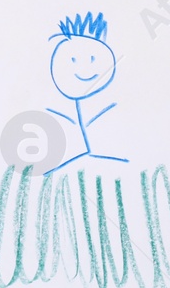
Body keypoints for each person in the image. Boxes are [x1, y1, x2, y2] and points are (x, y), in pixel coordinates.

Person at [45, 12, 126, 174]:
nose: (83, 69)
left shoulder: (112, 110)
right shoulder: (59, 115)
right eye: (74, 60)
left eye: (92, 60)